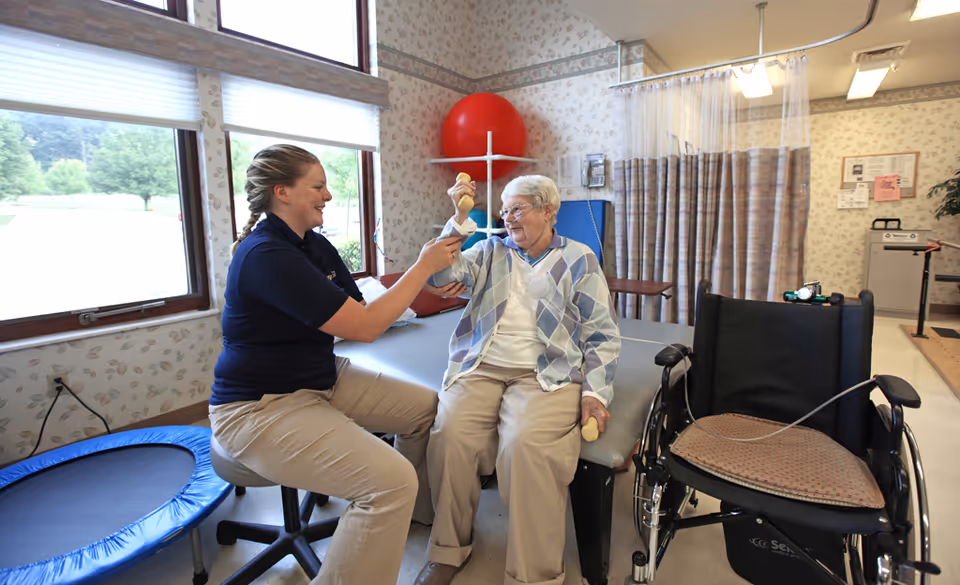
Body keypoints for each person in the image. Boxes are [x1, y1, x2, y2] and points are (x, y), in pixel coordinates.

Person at [208, 144, 462, 585]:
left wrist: (431, 286)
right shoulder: (266, 256)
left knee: (426, 409)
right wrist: (421, 268)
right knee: (391, 482)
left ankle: (412, 517)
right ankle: (390, 504)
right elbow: (365, 328)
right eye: (318, 186)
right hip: (261, 406)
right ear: (282, 192)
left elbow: (361, 308)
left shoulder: (315, 246)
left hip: (320, 377)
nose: (328, 195)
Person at [414, 175, 621, 585]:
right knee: (450, 436)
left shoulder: (579, 259)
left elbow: (602, 333)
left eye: (517, 208)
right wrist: (457, 218)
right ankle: (448, 550)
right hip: (482, 365)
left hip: (547, 370)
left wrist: (596, 391)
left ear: (549, 211)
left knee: (526, 448)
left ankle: (534, 576)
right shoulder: (489, 251)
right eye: (504, 210)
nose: (507, 218)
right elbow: (439, 278)